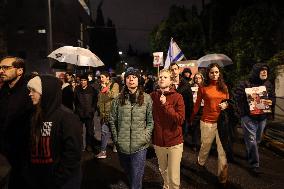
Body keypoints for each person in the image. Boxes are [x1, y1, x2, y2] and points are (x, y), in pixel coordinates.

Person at [25, 75, 82, 189]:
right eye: (29, 90)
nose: (30, 94)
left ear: (46, 92)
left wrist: (57, 179)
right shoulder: (34, 114)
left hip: (61, 182)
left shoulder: (67, 117)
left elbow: (72, 154)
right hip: (39, 179)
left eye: (34, 90)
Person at [109, 68, 154, 189]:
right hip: (122, 144)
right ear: (125, 81)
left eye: (134, 77)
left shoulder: (147, 98)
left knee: (137, 177)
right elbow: (112, 120)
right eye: (128, 77)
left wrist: (146, 137)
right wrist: (116, 139)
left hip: (140, 145)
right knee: (128, 171)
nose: (131, 79)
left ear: (138, 80)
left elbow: (150, 121)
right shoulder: (118, 100)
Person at [190, 63, 229, 185]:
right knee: (205, 146)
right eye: (212, 72)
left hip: (221, 122)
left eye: (216, 72)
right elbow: (197, 105)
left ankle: (223, 177)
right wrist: (191, 118)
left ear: (219, 73)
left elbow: (228, 101)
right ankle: (200, 163)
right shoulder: (203, 87)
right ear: (208, 73)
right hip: (207, 122)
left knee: (222, 151)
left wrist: (226, 105)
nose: (214, 74)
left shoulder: (224, 87)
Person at [234, 63, 275, 175]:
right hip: (248, 118)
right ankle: (254, 165)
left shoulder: (268, 84)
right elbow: (236, 98)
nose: (264, 72)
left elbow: (272, 97)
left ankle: (249, 154)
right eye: (262, 70)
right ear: (256, 72)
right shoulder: (244, 83)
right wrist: (243, 112)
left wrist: (271, 102)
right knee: (252, 141)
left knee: (256, 140)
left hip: (262, 118)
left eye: (266, 70)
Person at [0, 56, 33, 189]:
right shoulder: (4, 90)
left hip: (24, 154)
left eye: (6, 68)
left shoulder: (30, 91)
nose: (1, 71)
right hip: (5, 151)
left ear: (20, 71)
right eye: (0, 68)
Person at [151, 69, 185, 189]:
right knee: (163, 170)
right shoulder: (153, 96)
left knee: (174, 176)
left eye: (165, 77)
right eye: (160, 77)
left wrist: (166, 105)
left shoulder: (178, 97)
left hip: (174, 142)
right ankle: (166, 186)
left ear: (171, 81)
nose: (161, 79)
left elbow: (180, 119)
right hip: (158, 142)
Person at [96, 71, 119, 158]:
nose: (101, 79)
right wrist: (98, 107)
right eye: (100, 77)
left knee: (114, 132)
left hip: (112, 113)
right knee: (104, 132)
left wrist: (106, 89)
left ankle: (116, 146)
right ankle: (103, 152)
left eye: (102, 77)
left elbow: (114, 95)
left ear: (108, 77)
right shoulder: (101, 87)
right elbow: (100, 99)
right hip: (103, 114)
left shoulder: (114, 85)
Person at [74, 74, 98, 152]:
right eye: (81, 80)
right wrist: (77, 111)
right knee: (79, 131)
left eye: (84, 80)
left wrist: (92, 110)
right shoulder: (77, 89)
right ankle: (80, 146)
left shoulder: (92, 89)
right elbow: (75, 101)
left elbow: (95, 101)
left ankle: (88, 145)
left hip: (89, 114)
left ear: (87, 81)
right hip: (79, 113)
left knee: (90, 131)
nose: (83, 82)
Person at [169, 62, 193, 138]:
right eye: (172, 70)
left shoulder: (186, 84)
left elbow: (190, 100)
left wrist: (189, 115)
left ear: (179, 70)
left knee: (182, 135)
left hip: (183, 114)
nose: (174, 71)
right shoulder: (167, 83)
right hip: (170, 114)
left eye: (175, 69)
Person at [190, 72, 205, 152]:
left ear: (202, 79)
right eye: (196, 78)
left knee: (202, 128)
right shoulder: (191, 87)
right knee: (195, 127)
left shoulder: (205, 87)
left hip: (203, 108)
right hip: (195, 108)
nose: (197, 79)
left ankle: (202, 144)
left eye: (199, 78)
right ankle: (195, 144)